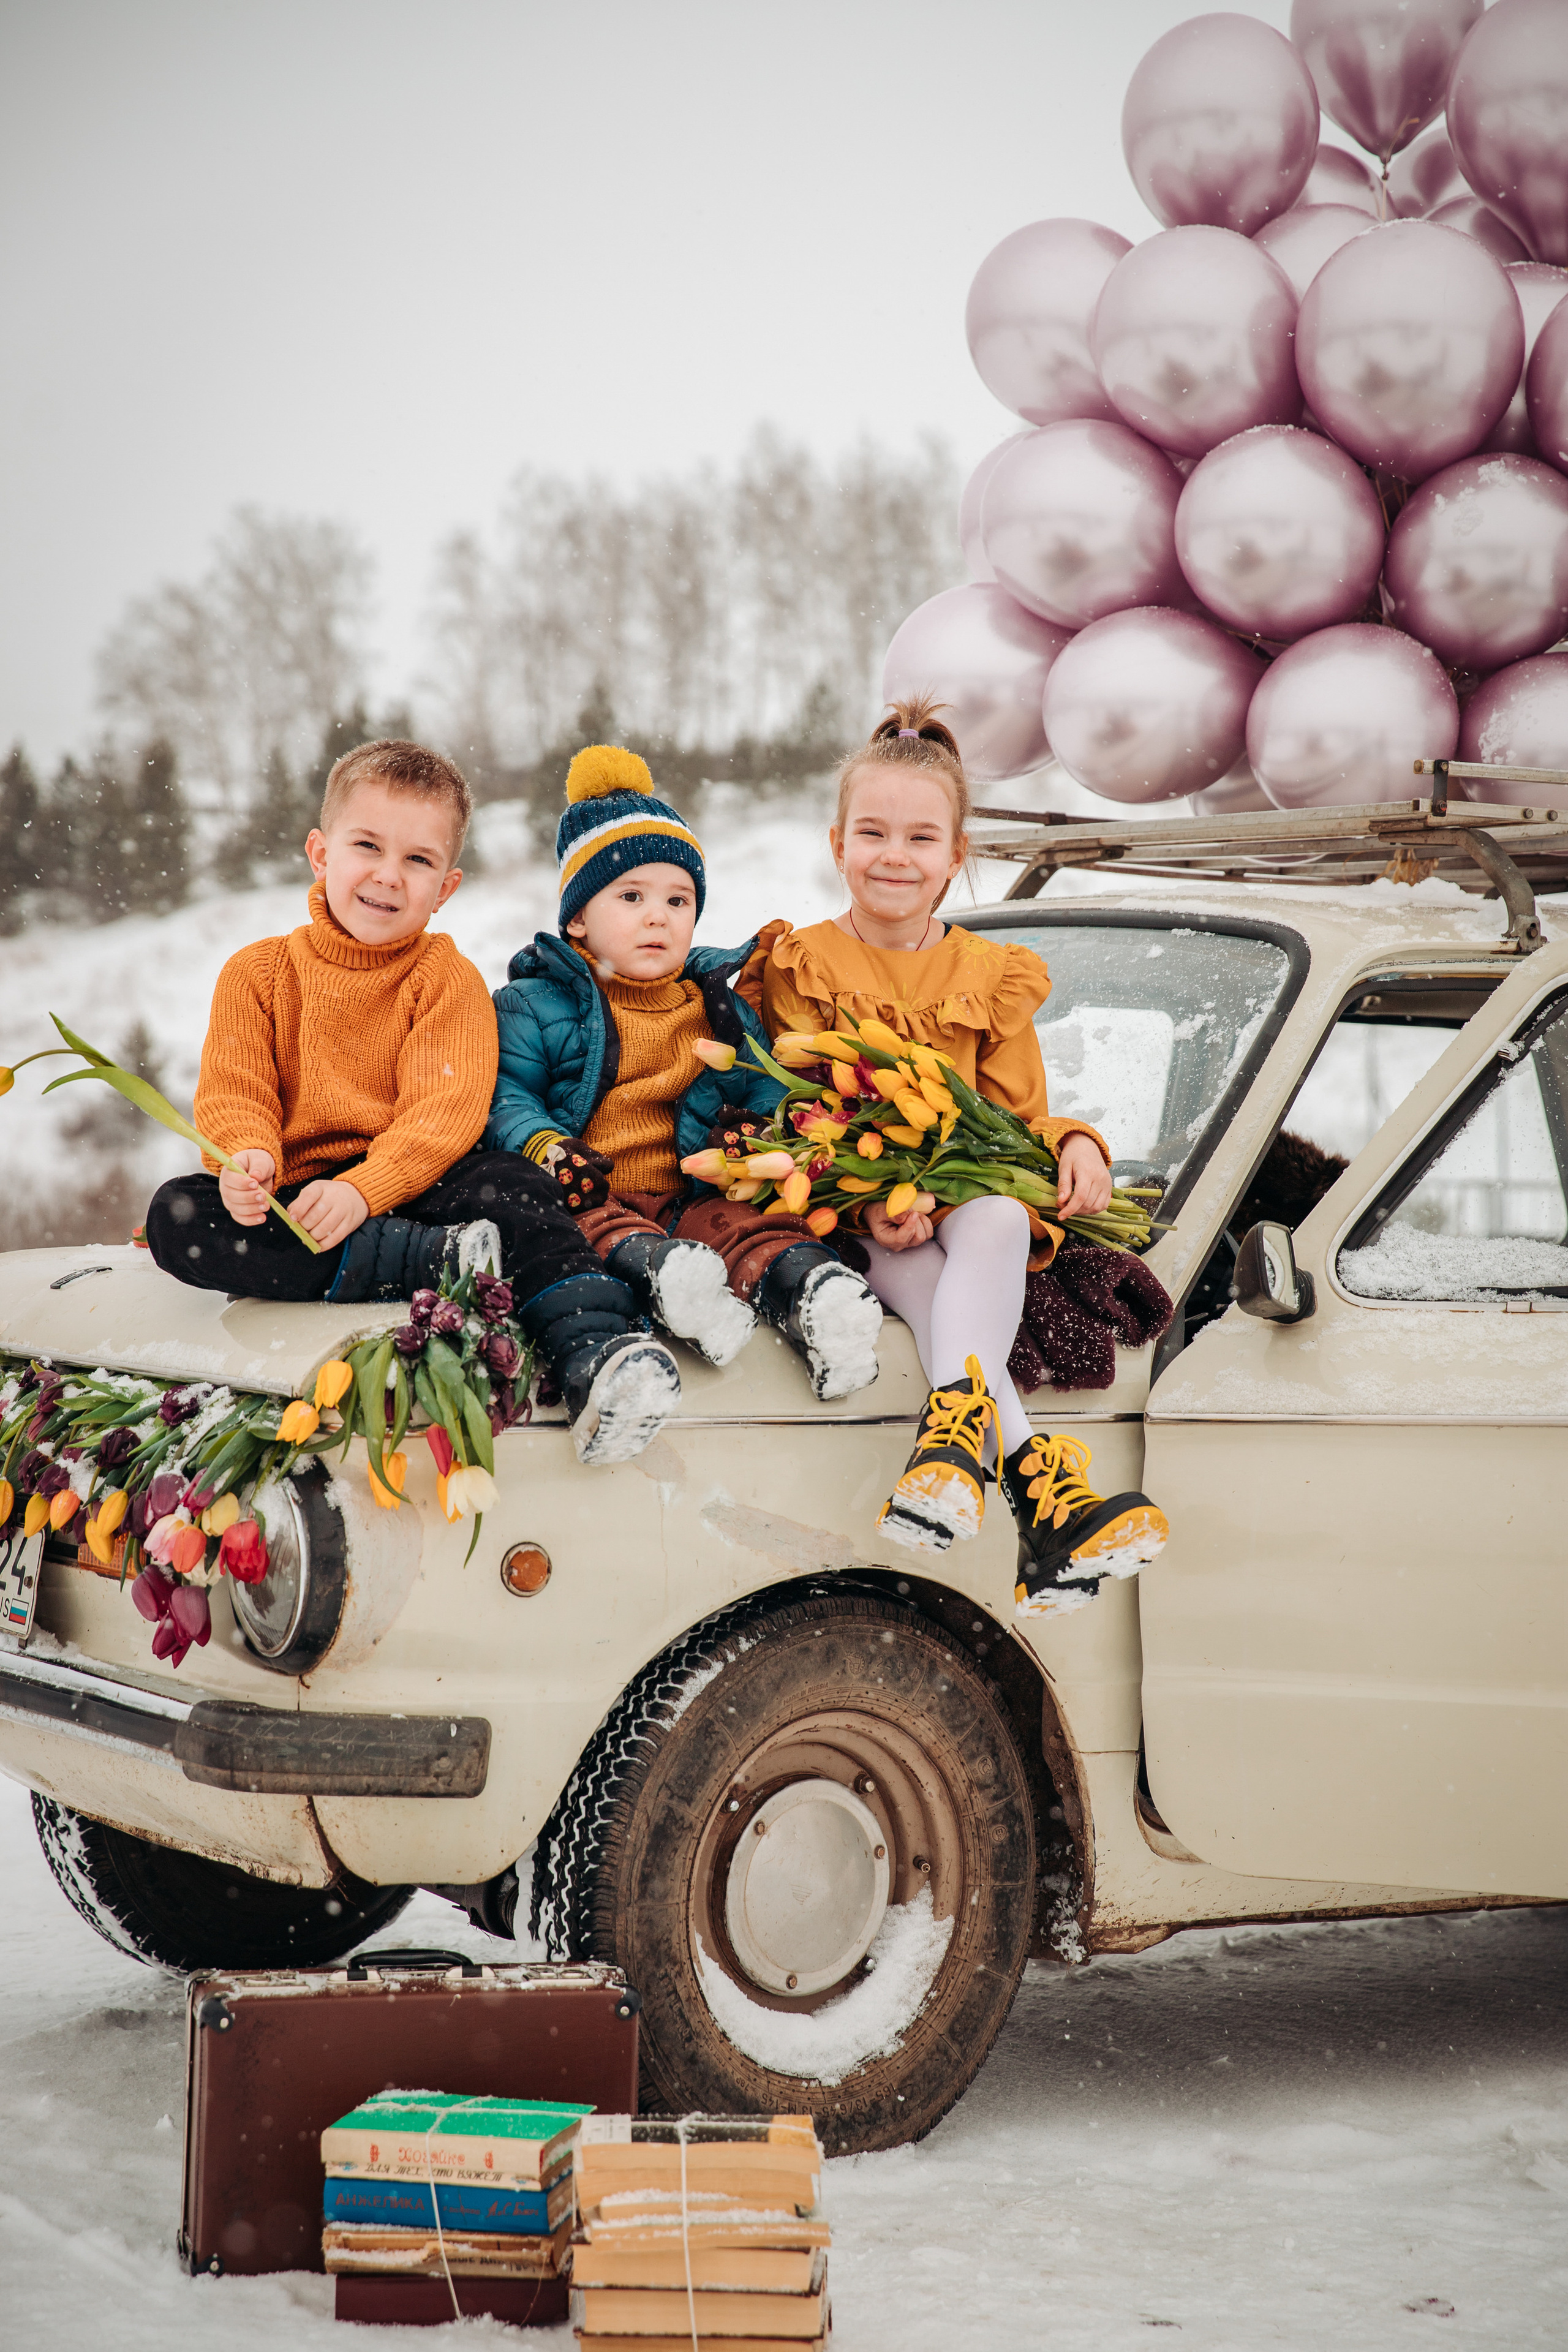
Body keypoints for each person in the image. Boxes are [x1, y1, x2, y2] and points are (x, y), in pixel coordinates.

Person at [143, 737, 680, 1465]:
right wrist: (247, 1157)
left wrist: (366, 1190)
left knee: (517, 1185)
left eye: (418, 860)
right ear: (320, 852)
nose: (389, 877)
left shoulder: (444, 978)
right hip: (300, 1198)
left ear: (447, 886)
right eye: (368, 846)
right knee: (181, 1218)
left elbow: (445, 1112)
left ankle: (598, 1352)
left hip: (422, 1182)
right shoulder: (259, 973)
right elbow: (235, 1085)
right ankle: (444, 1261)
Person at [761, 696, 1169, 1615]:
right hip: (846, 1217)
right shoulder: (804, 967)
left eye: (919, 837)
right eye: (872, 832)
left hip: (961, 1208)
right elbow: (792, 1117)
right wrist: (867, 1206)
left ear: (956, 856)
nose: (893, 856)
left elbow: (1019, 1121)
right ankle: (1038, 1494)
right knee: (918, 1248)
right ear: (837, 844)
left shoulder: (987, 977)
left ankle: (951, 1450)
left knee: (988, 1211)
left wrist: (1074, 1141)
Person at [486, 744, 883, 1400]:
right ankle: (675, 1288)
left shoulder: (717, 1004)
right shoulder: (535, 1002)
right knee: (600, 1235)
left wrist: (753, 1131)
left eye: (678, 900)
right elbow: (505, 1094)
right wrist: (544, 1145)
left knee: (753, 1230)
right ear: (579, 918)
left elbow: (764, 1084)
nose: (657, 916)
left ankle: (816, 1298)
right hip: (593, 1189)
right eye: (632, 896)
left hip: (697, 1194)